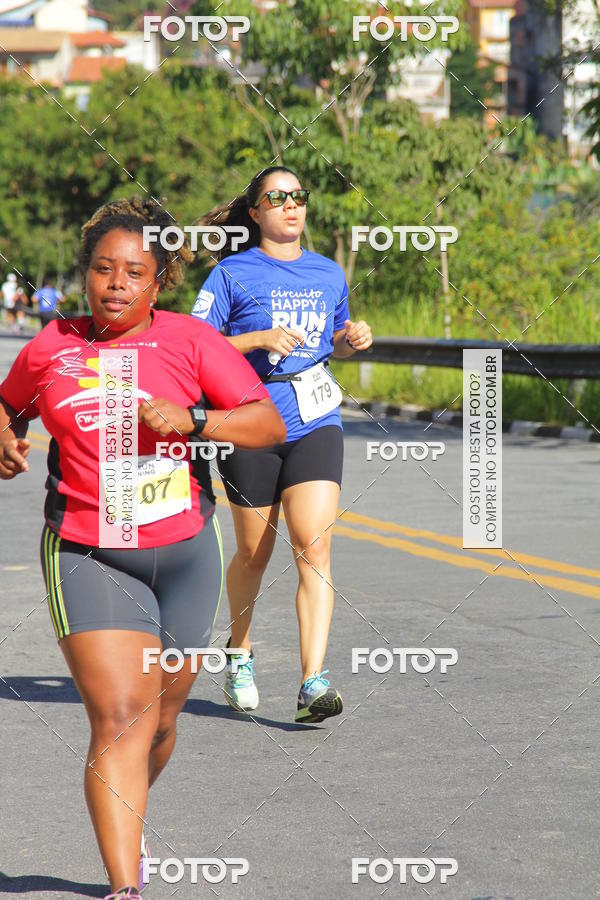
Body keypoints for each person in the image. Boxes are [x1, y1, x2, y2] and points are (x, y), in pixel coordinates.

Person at [0, 197, 285, 900]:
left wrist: (195, 419)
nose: (116, 285)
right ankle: (125, 886)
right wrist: (5, 434)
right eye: (104, 269)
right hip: (88, 551)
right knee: (121, 716)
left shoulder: (191, 341)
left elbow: (267, 423)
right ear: (85, 274)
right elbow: (7, 404)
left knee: (158, 722)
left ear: (159, 283)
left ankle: (130, 813)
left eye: (134, 272)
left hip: (183, 552)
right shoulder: (51, 347)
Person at [192, 166, 373, 723]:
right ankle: (239, 651)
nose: (291, 205)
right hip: (250, 422)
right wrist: (259, 337)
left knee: (313, 546)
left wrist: (351, 338)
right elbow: (196, 345)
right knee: (254, 553)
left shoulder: (328, 272)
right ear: (255, 212)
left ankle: (312, 682)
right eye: (277, 197)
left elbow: (333, 341)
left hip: (315, 419)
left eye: (298, 196)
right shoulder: (231, 274)